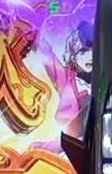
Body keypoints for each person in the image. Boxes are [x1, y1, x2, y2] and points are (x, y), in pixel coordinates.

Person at [32, 21, 94, 153]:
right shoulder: (68, 80)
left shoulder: (103, 80)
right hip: (71, 142)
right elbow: (51, 62)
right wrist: (35, 37)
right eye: (83, 51)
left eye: (94, 51)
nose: (90, 57)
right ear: (74, 55)